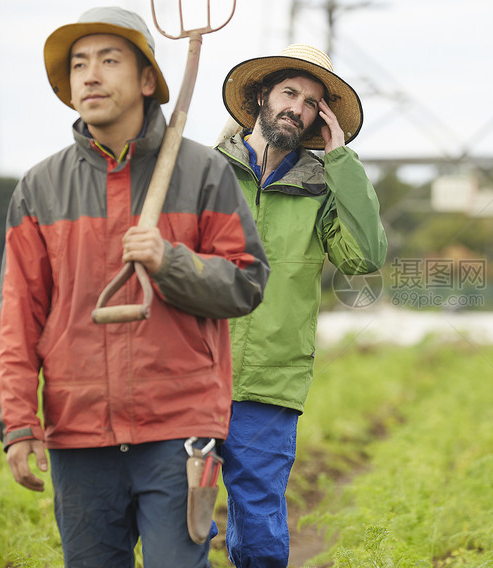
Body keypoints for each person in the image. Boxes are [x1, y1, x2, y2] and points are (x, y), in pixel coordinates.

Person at [0, 7, 269, 567]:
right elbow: (18, 318)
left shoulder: (204, 174)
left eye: (109, 60)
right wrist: (19, 422)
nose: (90, 75)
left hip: (179, 430)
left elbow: (246, 282)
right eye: (79, 65)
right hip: (79, 431)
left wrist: (169, 261)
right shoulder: (40, 189)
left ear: (147, 81)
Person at [214, 44, 387, 566]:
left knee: (260, 527)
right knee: (180, 516)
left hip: (271, 378)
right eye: (290, 92)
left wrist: (341, 161)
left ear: (320, 119)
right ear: (262, 95)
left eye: (312, 103)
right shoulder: (207, 171)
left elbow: (366, 257)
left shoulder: (320, 187)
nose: (298, 107)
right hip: (194, 369)